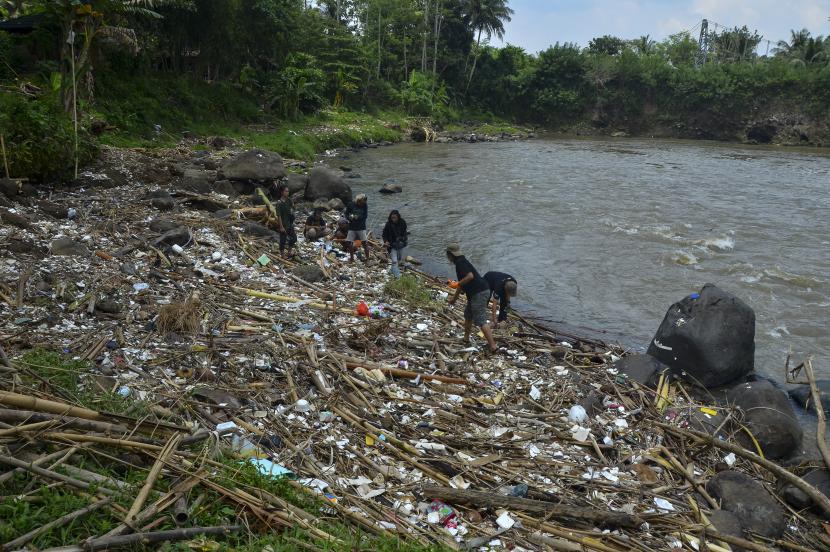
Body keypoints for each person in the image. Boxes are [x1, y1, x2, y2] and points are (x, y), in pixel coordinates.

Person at [446, 244, 498, 353]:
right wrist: (454, 299)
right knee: (468, 314)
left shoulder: (460, 263)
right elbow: (461, 285)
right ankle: (466, 338)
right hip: (478, 292)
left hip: (479, 293)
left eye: (448, 255)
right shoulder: (461, 261)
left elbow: (470, 276)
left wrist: (457, 283)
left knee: (480, 319)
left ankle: (493, 346)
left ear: (450, 255)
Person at [382, 210, 408, 278]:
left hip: (401, 244)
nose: (393, 219)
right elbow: (384, 235)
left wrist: (403, 239)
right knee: (394, 261)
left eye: (394, 217)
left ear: (398, 217)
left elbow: (405, 233)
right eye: (392, 217)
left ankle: (392, 270)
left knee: (399, 260)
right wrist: (385, 241)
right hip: (391, 245)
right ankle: (397, 277)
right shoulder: (388, 224)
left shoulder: (402, 222)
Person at [344, 193, 369, 263]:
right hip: (352, 227)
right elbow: (346, 214)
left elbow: (365, 216)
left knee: (364, 243)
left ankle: (367, 259)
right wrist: (350, 217)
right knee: (349, 242)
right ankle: (352, 258)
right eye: (361, 202)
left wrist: (357, 217)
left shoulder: (365, 205)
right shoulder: (350, 204)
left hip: (361, 227)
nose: (362, 204)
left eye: (363, 203)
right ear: (358, 200)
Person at [275, 184, 296, 258]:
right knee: (283, 240)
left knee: (294, 238)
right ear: (282, 192)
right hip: (283, 224)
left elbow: (293, 207)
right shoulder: (279, 203)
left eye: (288, 191)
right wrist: (281, 226)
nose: (288, 193)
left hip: (290, 223)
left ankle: (289, 251)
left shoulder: (289, 200)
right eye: (286, 191)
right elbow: (279, 216)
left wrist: (292, 208)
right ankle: (282, 254)